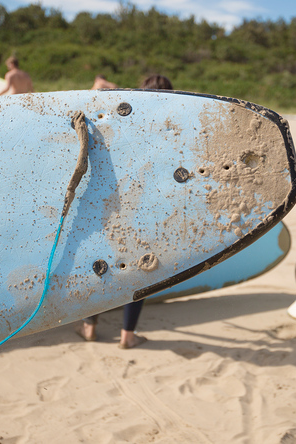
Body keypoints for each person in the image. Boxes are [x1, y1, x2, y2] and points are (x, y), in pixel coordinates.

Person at [76, 74, 173, 349]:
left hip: (116, 204)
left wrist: (105, 86)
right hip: (152, 207)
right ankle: (127, 335)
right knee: (143, 265)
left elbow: (90, 103)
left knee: (101, 263)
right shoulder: (170, 125)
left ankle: (89, 326)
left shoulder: (125, 118)